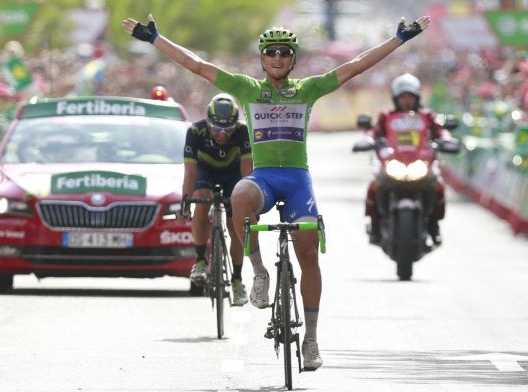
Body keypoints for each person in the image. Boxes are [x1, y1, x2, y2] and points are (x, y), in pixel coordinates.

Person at [123, 13, 430, 371]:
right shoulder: (248, 90)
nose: (278, 57)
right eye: (271, 52)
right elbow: (199, 66)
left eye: (285, 52)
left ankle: (311, 339)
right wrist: (155, 39)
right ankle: (259, 272)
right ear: (263, 58)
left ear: (293, 58)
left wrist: (398, 39)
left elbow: (356, 66)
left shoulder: (308, 90)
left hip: (298, 181)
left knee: (309, 257)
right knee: (239, 195)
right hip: (265, 179)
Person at [177, 93, 253, 306]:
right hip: (205, 172)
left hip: (233, 173)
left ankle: (237, 280)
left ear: (235, 125)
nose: (222, 134)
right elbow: (190, 173)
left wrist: (249, 203)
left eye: (227, 130)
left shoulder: (242, 132)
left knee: (236, 222)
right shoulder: (195, 131)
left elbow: (248, 172)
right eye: (217, 129)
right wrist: (185, 204)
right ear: (208, 122)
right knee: (201, 199)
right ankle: (200, 260)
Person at [365, 73, 450, 245]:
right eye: (402, 96)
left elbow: (441, 131)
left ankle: (434, 225)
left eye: (410, 96)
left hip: (421, 163)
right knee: (374, 186)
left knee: (438, 186)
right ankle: (375, 224)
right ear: (396, 98)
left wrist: (447, 140)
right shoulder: (386, 116)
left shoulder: (427, 115)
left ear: (417, 97)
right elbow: (373, 132)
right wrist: (366, 140)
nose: (406, 100)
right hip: (392, 163)